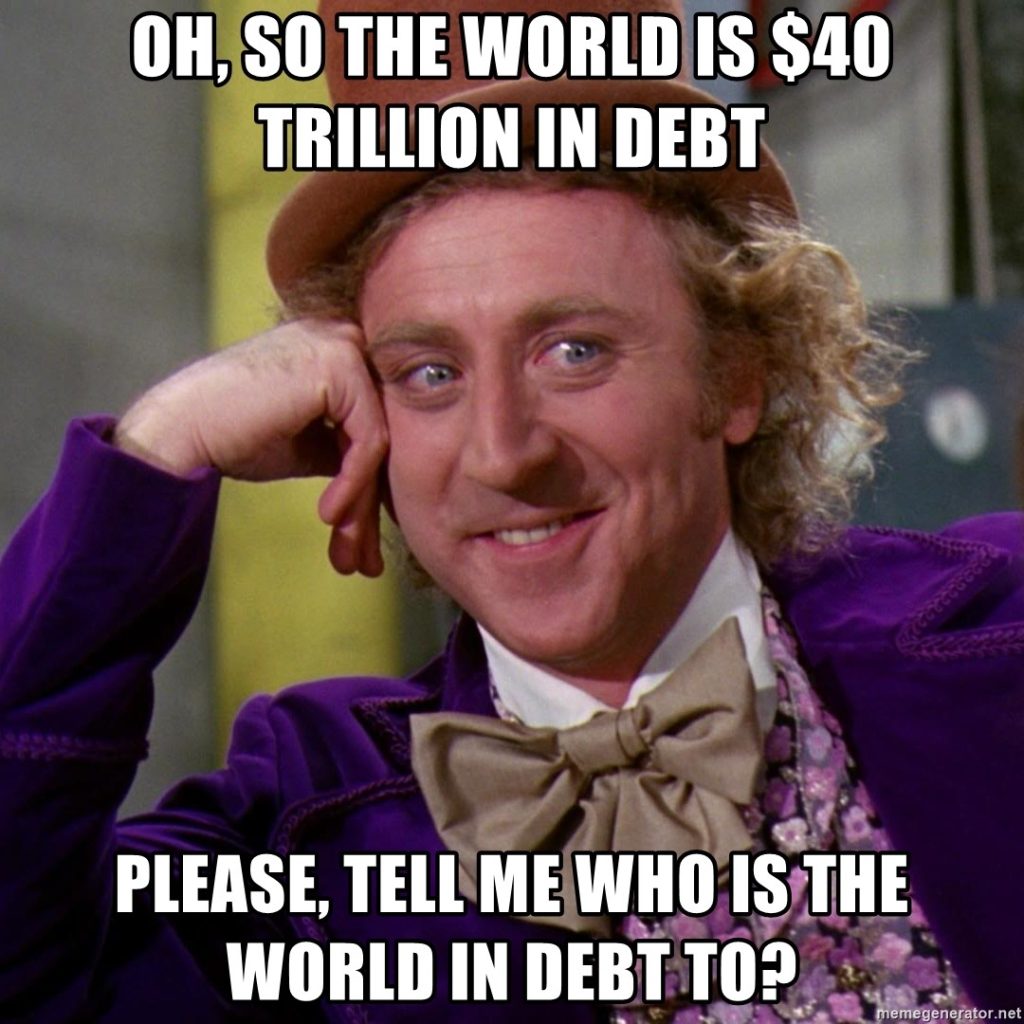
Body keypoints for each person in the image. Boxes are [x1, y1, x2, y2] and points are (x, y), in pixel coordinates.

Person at [2, 0, 1023, 1020]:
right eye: (430, 373)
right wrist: (156, 452)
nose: (502, 451)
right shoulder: (303, 820)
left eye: (574, 352)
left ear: (737, 374)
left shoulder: (1000, 638)